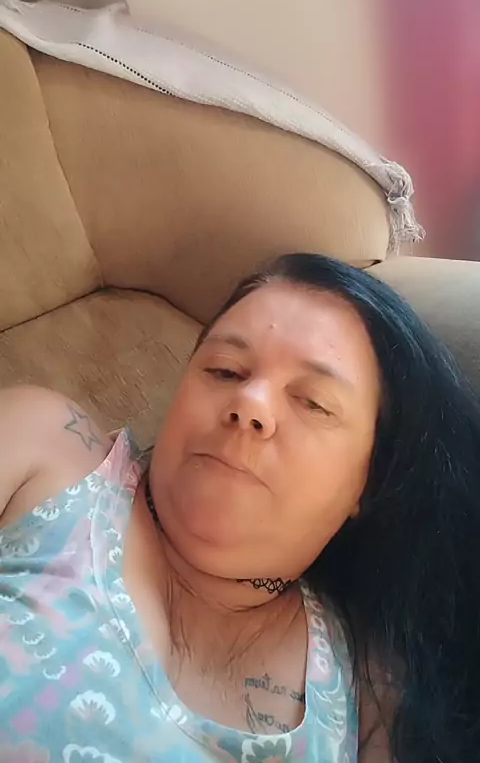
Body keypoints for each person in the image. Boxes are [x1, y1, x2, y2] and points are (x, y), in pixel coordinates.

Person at [0, 253, 479, 763]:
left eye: (313, 402)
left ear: (370, 480)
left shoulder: (369, 686)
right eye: (225, 370)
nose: (250, 401)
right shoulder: (46, 444)